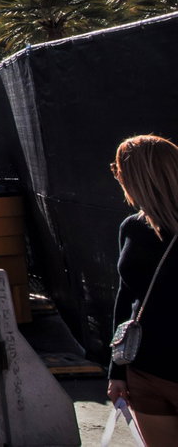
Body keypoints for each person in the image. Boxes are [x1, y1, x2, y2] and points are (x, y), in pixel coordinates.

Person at [109, 134, 178, 445]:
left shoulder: (135, 229)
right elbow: (126, 299)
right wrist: (117, 371)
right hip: (143, 371)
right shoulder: (133, 227)